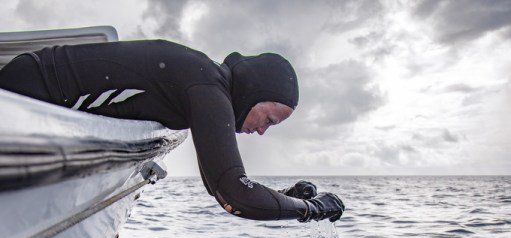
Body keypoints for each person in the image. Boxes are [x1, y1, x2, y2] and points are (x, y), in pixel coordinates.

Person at [0, 39, 345, 222]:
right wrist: (311, 210)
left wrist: (289, 198)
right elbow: (236, 197)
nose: (262, 132)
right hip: (24, 98)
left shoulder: (206, 82)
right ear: (255, 92)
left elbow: (220, 185)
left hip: (32, 96)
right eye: (269, 120)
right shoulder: (207, 85)